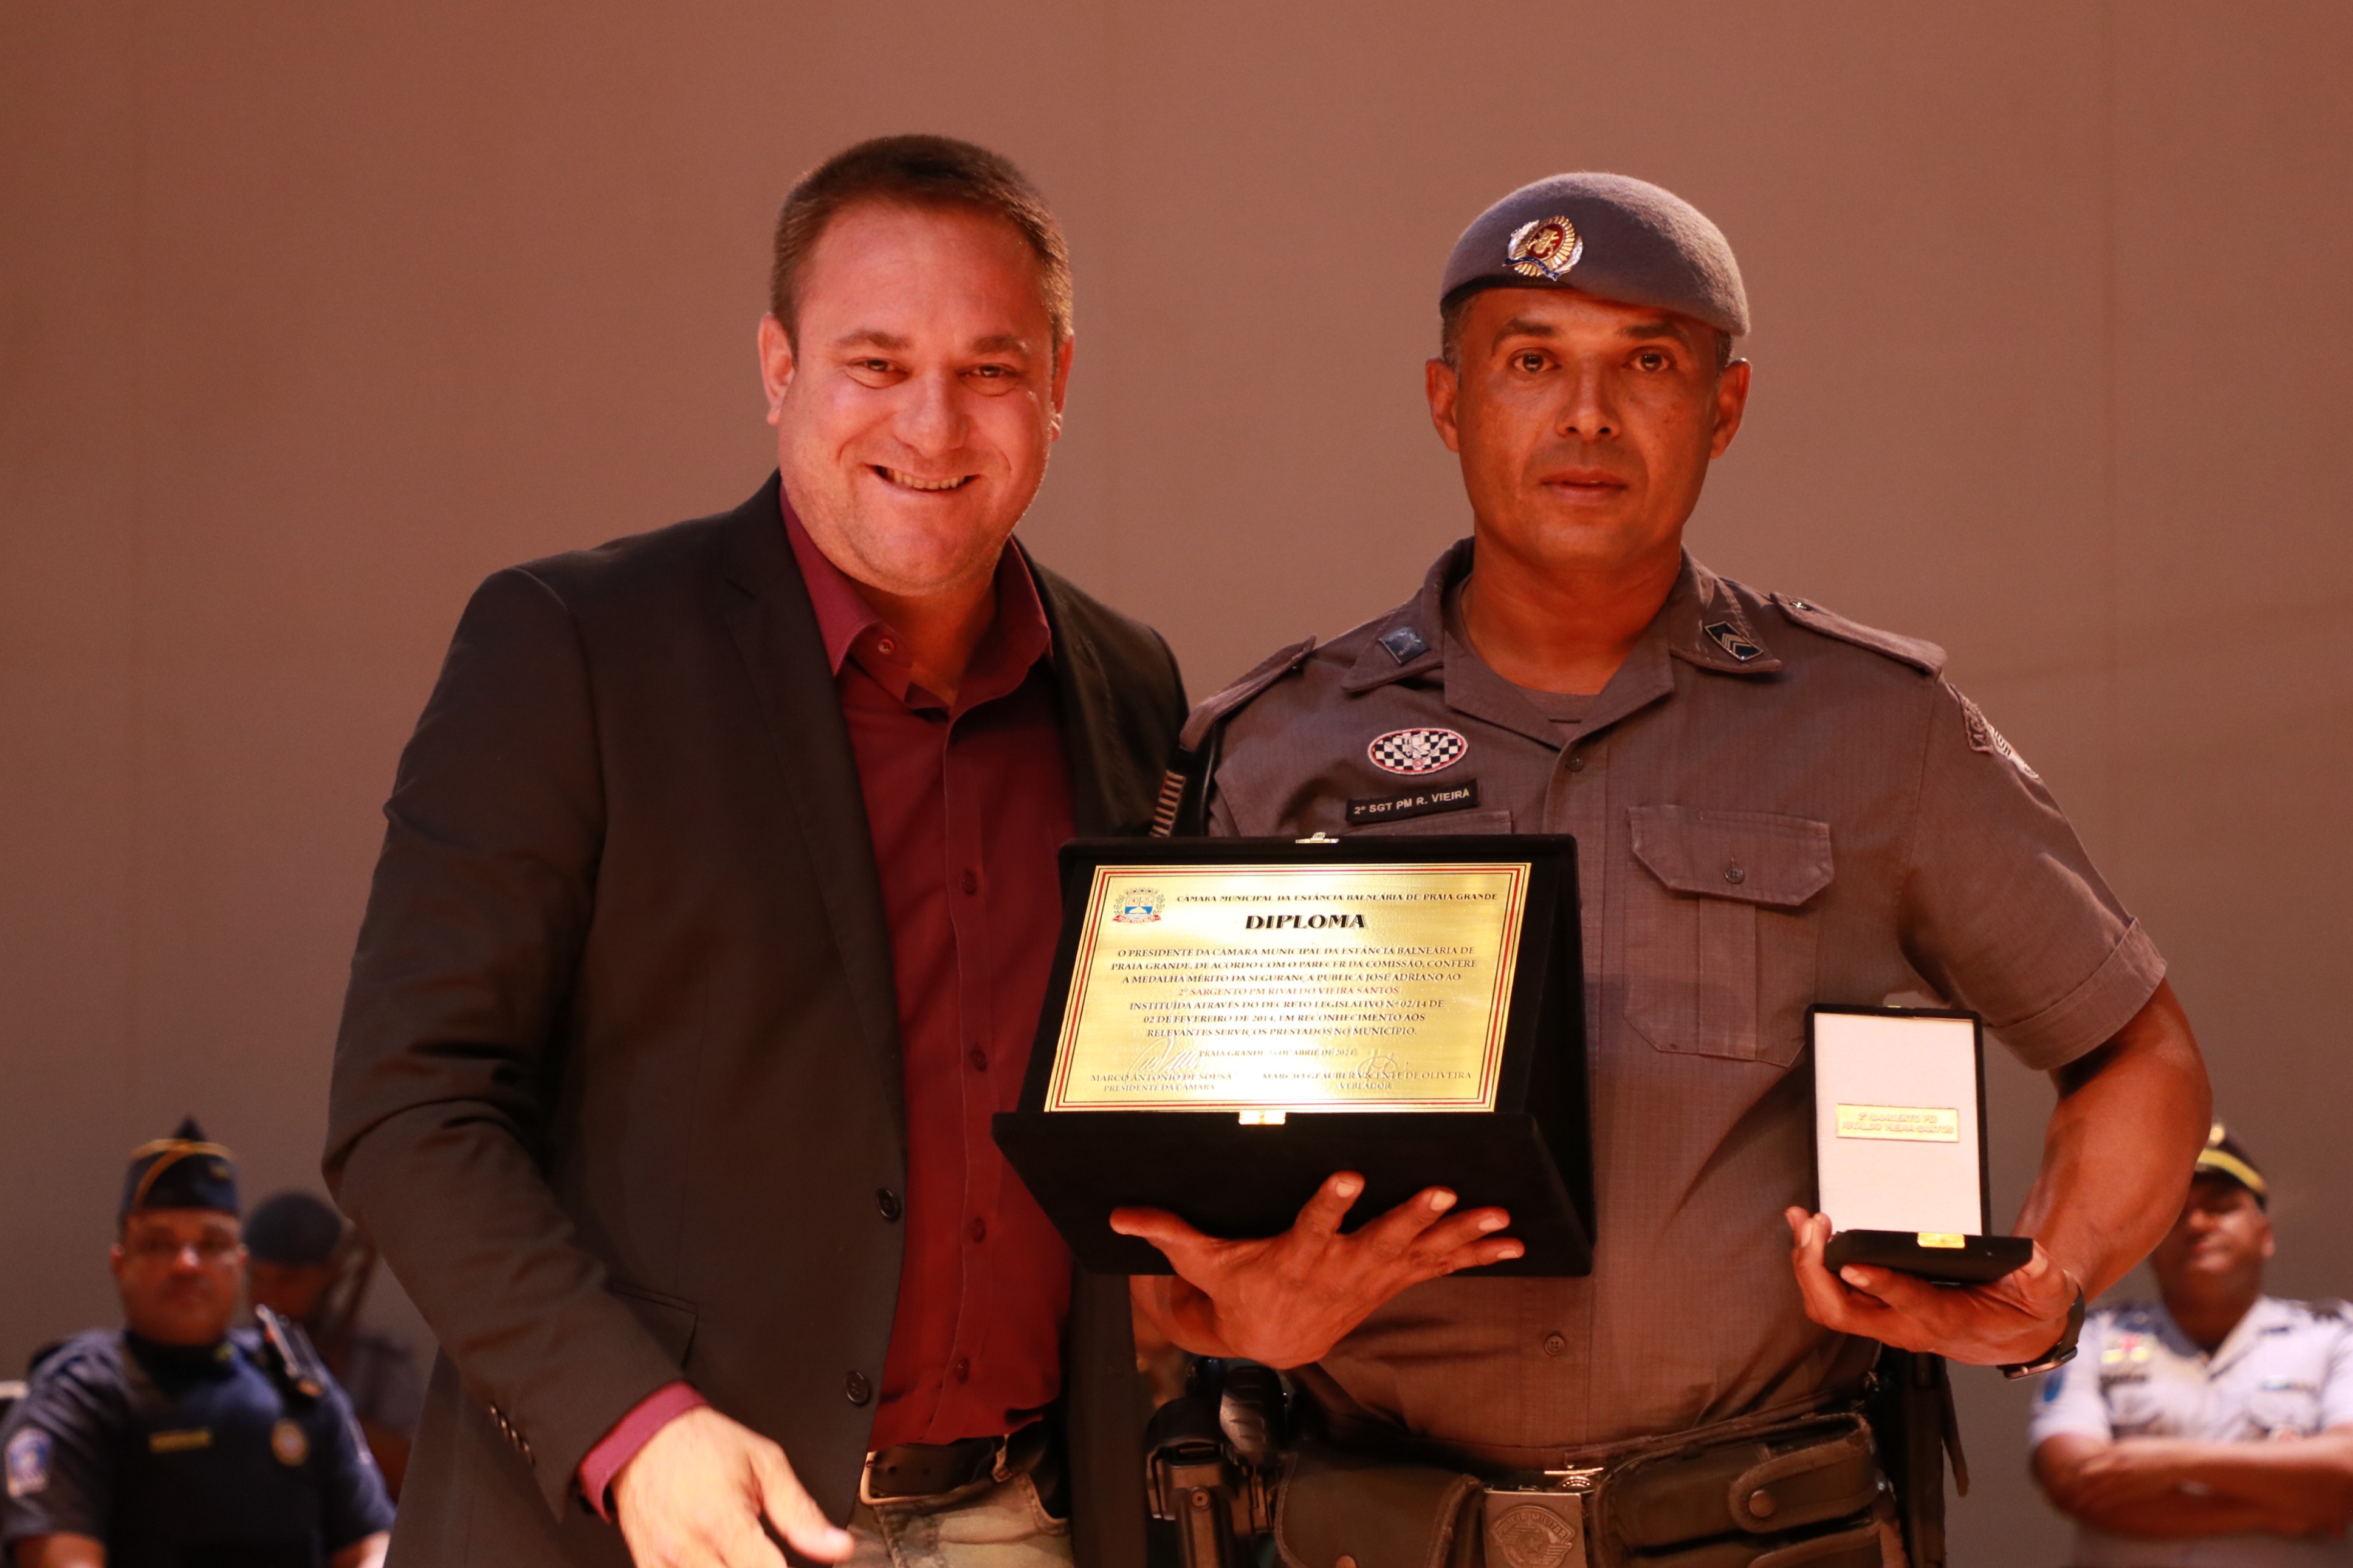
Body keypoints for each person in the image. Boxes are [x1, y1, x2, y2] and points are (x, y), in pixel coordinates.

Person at [1118, 173, 2213, 1566]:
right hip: (1373, 1532)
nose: (1587, 415)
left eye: (1646, 363)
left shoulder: (1873, 733)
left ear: (1725, 406)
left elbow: (2138, 1054)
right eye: (1531, 363)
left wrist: (2048, 1282)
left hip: (1759, 1535)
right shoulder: (1277, 749)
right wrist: (1223, 1314)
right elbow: (1140, 1207)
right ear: (1449, 402)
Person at [324, 135, 1186, 1568]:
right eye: (875, 362)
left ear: (1058, 382)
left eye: (989, 367)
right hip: (650, 1525)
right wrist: (630, 1426)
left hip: (1028, 1517)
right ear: (779, 368)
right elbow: (410, 1106)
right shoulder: (574, 647)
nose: (933, 423)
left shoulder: (1129, 685)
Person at [0, 1120, 393, 1568]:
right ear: (120, 1263)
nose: (187, 1264)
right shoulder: (78, 1393)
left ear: (239, 1264)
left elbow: (372, 1544)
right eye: (158, 1243)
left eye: (212, 1243)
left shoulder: (294, 1381)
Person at [2032, 1123, 2353, 1563]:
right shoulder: (2094, 1334)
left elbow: (2346, 1472)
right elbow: (2073, 1480)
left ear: (2265, 1234)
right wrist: (2272, 1508)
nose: (2198, 1224)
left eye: (2220, 1207)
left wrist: (2169, 1462)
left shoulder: (2334, 1333)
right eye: (2175, 1213)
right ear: (2147, 1242)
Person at [244, 1192, 425, 1498]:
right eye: (257, 1278)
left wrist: (329, 1412)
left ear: (331, 1271)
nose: (269, 1297)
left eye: (289, 1280)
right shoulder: (235, 1354)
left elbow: (416, 1473)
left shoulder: (378, 1363)